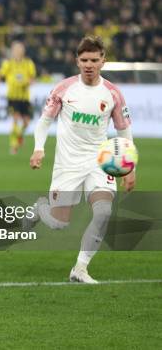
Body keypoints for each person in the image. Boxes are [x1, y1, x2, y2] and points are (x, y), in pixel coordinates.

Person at [24, 36, 135, 283]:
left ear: (103, 61)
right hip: (68, 163)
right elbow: (44, 122)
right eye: (84, 60)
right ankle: (40, 209)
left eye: (94, 60)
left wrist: (129, 167)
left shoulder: (113, 94)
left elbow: (123, 130)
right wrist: (39, 148)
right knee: (58, 223)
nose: (89, 64)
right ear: (77, 61)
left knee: (104, 211)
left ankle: (80, 269)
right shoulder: (64, 89)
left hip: (99, 161)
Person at [0, 41, 36, 154]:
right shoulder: (8, 64)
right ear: (12, 52)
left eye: (20, 50)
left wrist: (28, 82)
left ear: (23, 51)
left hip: (25, 98)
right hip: (12, 97)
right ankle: (14, 146)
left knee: (26, 122)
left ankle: (20, 136)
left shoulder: (28, 63)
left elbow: (32, 79)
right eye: (16, 50)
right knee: (16, 118)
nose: (18, 52)